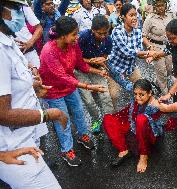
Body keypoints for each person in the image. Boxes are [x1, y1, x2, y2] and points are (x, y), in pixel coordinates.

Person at [0, 0, 68, 188]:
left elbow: (12, 86)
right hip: (13, 147)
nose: (21, 13)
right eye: (14, 8)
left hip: (26, 137)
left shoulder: (9, 41)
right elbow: (2, 113)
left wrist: (32, 85)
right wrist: (47, 114)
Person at [39, 16, 106, 166]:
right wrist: (89, 87)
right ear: (63, 36)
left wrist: (97, 71)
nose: (77, 37)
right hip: (53, 91)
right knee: (63, 120)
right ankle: (66, 150)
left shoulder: (73, 45)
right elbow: (62, 77)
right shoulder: (49, 50)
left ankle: (83, 135)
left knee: (79, 112)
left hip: (70, 87)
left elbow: (81, 65)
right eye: (74, 34)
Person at [103, 79, 177, 173]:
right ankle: (123, 150)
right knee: (108, 118)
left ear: (150, 93)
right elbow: (122, 81)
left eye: (141, 95)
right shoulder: (136, 95)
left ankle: (143, 156)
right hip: (133, 128)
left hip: (149, 134)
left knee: (141, 119)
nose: (137, 97)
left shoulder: (158, 104)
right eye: (135, 94)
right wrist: (108, 66)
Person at [107, 3, 155, 110]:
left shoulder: (138, 32)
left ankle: (141, 111)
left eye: (135, 15)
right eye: (131, 15)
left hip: (131, 68)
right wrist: (150, 53)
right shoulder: (117, 31)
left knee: (143, 89)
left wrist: (149, 55)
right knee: (114, 96)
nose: (134, 18)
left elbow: (139, 53)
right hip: (116, 69)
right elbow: (128, 52)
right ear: (123, 17)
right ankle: (114, 115)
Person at [77, 15, 114, 133]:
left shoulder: (108, 39)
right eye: (100, 33)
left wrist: (102, 59)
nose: (103, 36)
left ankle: (110, 121)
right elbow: (75, 59)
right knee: (88, 100)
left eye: (105, 33)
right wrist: (91, 61)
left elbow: (105, 55)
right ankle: (96, 120)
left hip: (98, 70)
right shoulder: (83, 37)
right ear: (92, 30)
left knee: (106, 96)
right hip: (81, 69)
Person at [142, 0, 175, 94]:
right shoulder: (150, 18)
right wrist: (149, 47)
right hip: (156, 47)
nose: (161, 7)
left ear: (166, 5)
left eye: (162, 5)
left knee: (169, 69)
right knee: (161, 72)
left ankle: (157, 83)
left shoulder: (171, 15)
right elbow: (144, 36)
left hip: (169, 46)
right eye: (158, 5)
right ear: (155, 6)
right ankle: (165, 95)